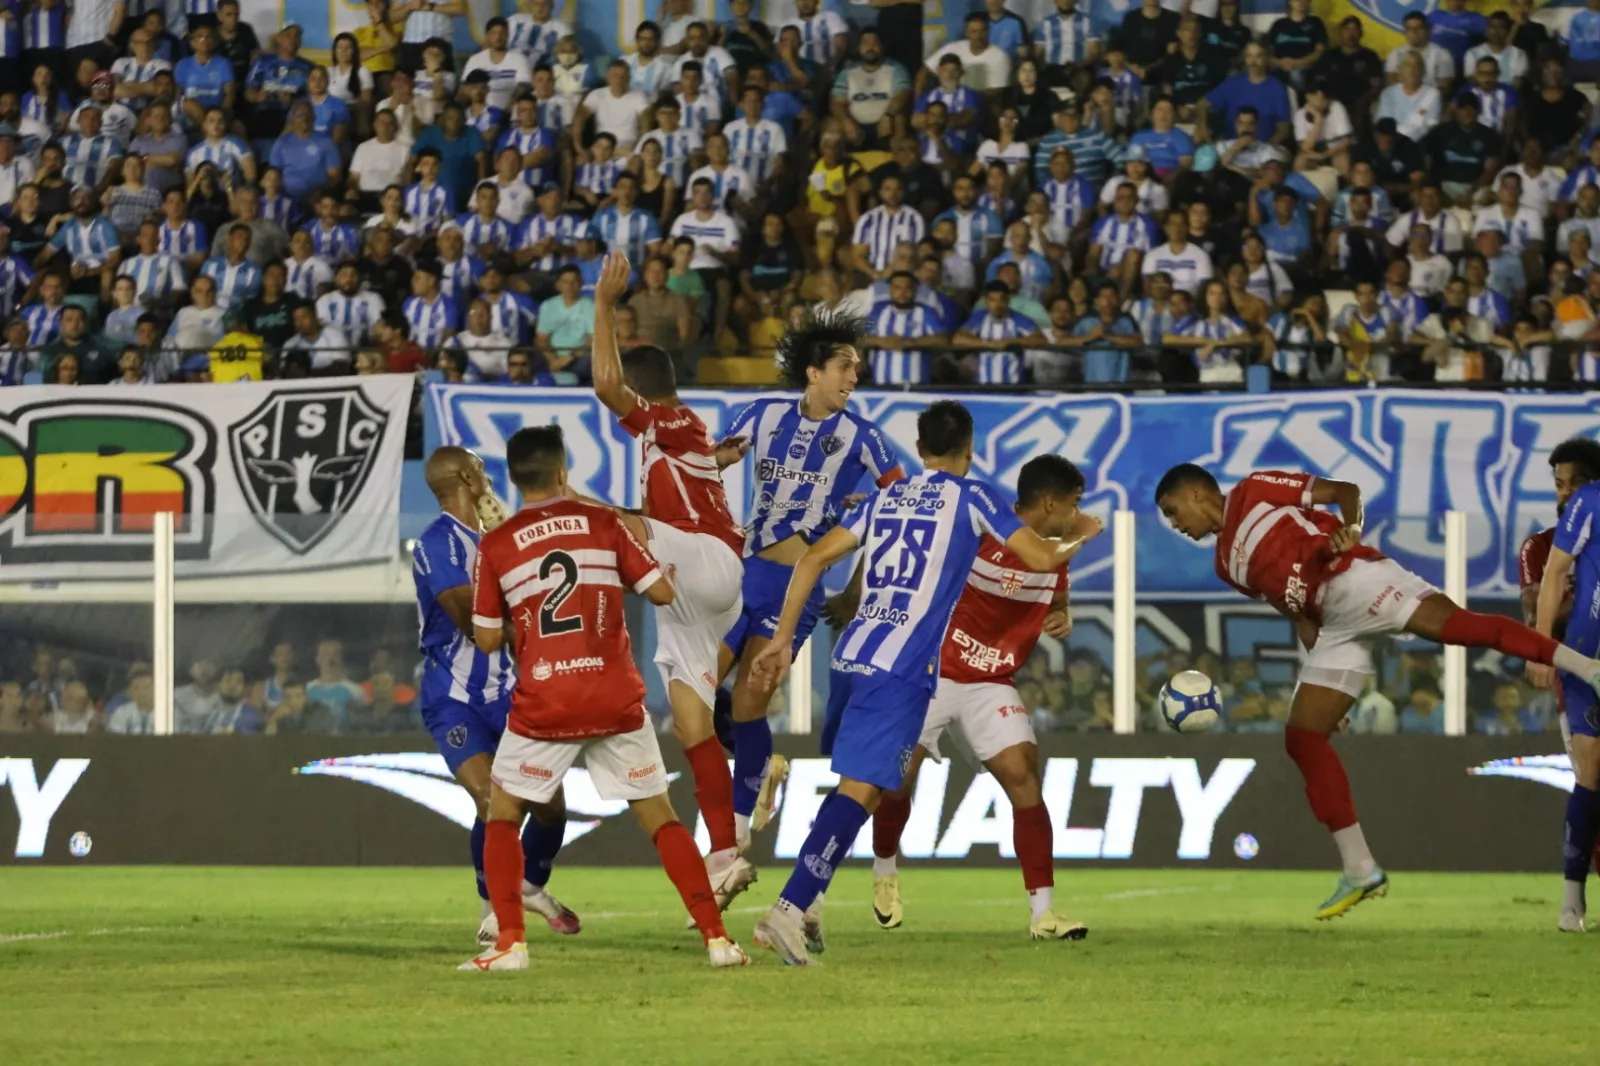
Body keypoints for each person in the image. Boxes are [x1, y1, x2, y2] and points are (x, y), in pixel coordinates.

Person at [1154, 463, 1600, 919]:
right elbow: (1297, 610)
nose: (1176, 526)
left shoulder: (1255, 490)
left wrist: (1351, 529)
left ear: (1194, 493)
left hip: (1358, 578)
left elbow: (1344, 490)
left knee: (1463, 629)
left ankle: (1588, 668)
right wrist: (1323, 681)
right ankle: (1360, 868)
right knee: (1303, 738)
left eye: (1173, 512)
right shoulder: (1226, 563)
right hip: (1334, 624)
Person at [747, 400, 1098, 965]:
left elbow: (811, 561)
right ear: (970, 448)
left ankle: (806, 903)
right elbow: (1036, 555)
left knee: (855, 789)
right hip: (905, 666)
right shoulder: (975, 495)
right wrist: (1083, 535)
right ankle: (787, 910)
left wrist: (784, 640)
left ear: (919, 446)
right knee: (862, 791)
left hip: (853, 653)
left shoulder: (885, 496)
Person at [460, 425, 749, 972]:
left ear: (515, 478)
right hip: (614, 695)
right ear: (563, 472)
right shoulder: (602, 523)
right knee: (661, 819)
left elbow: (488, 638)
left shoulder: (496, 544)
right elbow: (662, 592)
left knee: (503, 814)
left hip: (546, 697)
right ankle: (717, 940)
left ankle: (510, 945)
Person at [866, 455, 1092, 939]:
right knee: (895, 782)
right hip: (935, 673)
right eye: (1073, 505)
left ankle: (1043, 914)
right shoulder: (980, 531)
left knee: (1024, 779)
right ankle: (885, 869)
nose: (1077, 515)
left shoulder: (1055, 555)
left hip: (991, 682)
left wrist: (1062, 617)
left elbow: (1056, 599)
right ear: (1049, 502)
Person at [588, 250, 753, 913]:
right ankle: (725, 854)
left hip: (707, 560)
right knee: (692, 728)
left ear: (643, 390)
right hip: (699, 591)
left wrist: (602, 304)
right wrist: (718, 458)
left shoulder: (669, 419)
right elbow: (694, 464)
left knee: (598, 520)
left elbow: (604, 384)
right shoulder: (680, 442)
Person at [711, 310, 905, 850]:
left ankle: (732, 837)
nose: (854, 377)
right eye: (845, 366)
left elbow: (903, 512)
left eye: (858, 369)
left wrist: (856, 587)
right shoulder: (761, 413)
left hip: (793, 587)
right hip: (740, 574)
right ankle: (763, 764)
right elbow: (711, 466)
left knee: (749, 703)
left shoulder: (865, 439)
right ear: (814, 372)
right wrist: (714, 461)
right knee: (696, 696)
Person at [414, 445, 579, 948]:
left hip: (509, 695)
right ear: (465, 476)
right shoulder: (437, 543)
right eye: (481, 468)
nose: (488, 474)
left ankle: (529, 884)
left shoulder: (500, 539)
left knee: (551, 808)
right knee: (492, 800)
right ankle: (493, 914)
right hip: (455, 697)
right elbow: (469, 617)